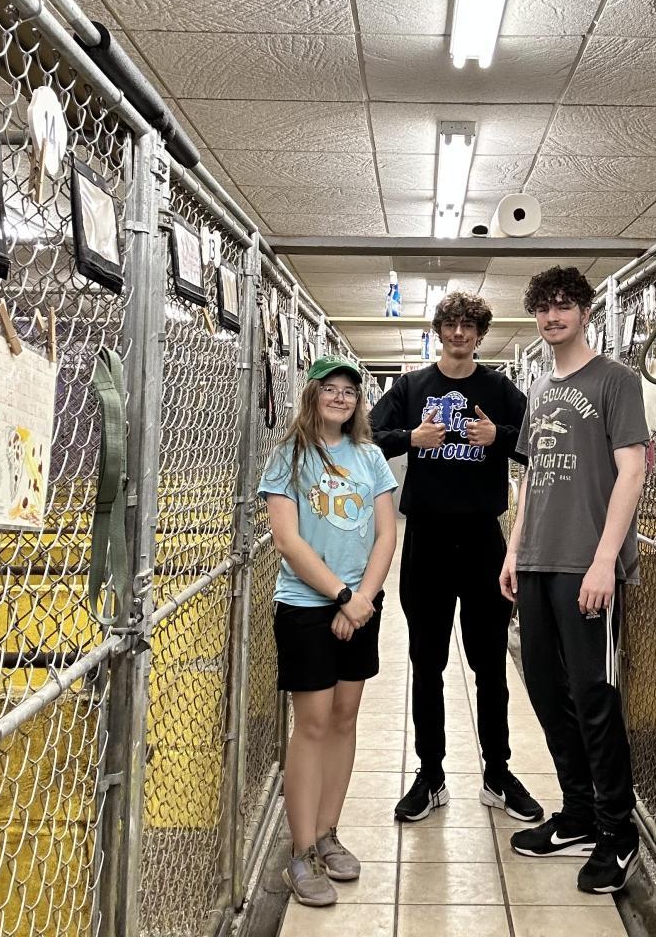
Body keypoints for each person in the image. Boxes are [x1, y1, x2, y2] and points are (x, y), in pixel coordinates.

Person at [501, 266, 648, 894]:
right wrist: (514, 550)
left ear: (586, 313)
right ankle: (579, 812)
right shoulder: (538, 387)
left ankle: (618, 831)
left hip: (587, 565)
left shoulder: (616, 380)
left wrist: (604, 560)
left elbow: (632, 472)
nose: (552, 316)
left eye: (564, 305)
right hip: (537, 561)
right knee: (543, 687)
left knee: (594, 696)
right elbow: (532, 477)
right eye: (543, 307)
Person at [370, 291, 542, 823]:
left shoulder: (499, 389)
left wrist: (498, 437)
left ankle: (498, 772)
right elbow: (367, 437)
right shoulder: (411, 387)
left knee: (489, 664)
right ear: (439, 330)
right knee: (427, 663)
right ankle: (431, 775)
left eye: (470, 325)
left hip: (482, 539)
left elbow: (541, 442)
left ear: (481, 334)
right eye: (451, 324)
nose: (460, 332)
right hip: (426, 539)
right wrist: (412, 437)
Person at [261, 356, 398, 907]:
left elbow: (385, 535)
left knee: (344, 718)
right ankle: (299, 853)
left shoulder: (370, 457)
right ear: (313, 395)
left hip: (360, 605)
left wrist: (362, 599)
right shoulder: (289, 456)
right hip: (307, 606)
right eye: (331, 389)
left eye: (350, 391)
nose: (341, 398)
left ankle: (326, 834)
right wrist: (342, 596)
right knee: (313, 724)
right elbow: (287, 540)